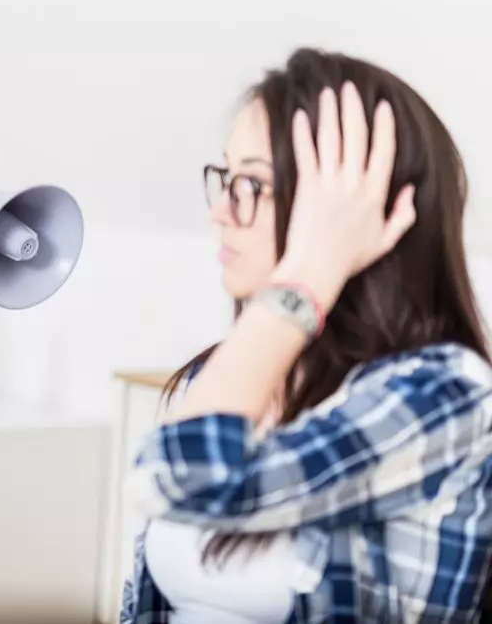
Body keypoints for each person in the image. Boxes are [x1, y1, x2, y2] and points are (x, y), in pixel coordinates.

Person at [121, 48, 492, 623]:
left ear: (355, 210)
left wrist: (309, 274)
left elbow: (178, 476)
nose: (221, 209)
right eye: (225, 176)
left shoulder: (444, 392)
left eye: (253, 184)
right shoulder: (226, 373)